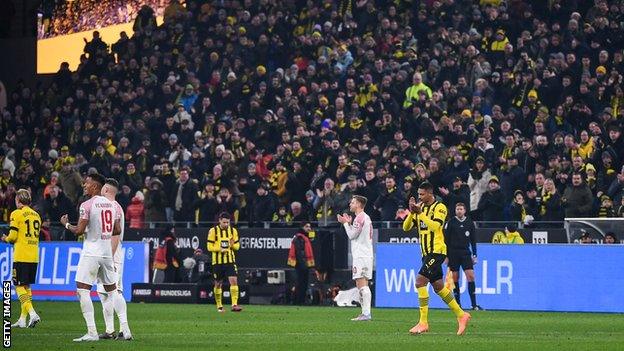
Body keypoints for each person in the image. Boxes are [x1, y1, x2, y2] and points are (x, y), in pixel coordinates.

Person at [402, 182, 470, 335]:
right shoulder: (420, 208)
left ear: (430, 194)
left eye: (422, 194)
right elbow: (406, 228)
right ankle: (461, 315)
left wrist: (420, 214)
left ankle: (423, 322)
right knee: (438, 286)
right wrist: (412, 211)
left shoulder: (440, 207)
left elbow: (434, 227)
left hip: (437, 251)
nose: (419, 197)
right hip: (426, 253)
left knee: (420, 281)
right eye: (418, 194)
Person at [60, 173, 122, 342]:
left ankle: (92, 332)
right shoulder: (112, 205)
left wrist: (66, 224)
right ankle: (117, 329)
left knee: (82, 289)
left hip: (91, 253)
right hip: (107, 254)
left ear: (95, 186)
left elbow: (79, 231)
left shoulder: (86, 205)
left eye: (86, 183)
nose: (84, 186)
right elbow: (116, 230)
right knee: (112, 292)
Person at [95, 178, 132, 340]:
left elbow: (115, 235)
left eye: (103, 187)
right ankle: (110, 330)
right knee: (103, 293)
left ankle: (125, 330)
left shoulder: (113, 208)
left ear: (106, 190)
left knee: (114, 291)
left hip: (112, 253)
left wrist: (108, 258)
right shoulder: (112, 207)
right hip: (107, 252)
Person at [1, 189, 41, 328]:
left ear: (18, 200)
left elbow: (12, 237)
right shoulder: (36, 215)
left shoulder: (16, 213)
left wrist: (5, 238)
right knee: (26, 286)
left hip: (21, 255)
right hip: (34, 255)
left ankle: (33, 313)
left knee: (18, 285)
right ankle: (23, 319)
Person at [336, 195, 373, 321]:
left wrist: (346, 224)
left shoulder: (360, 218)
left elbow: (352, 236)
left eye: (352, 202)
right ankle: (365, 313)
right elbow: (357, 235)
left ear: (358, 204)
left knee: (361, 284)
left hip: (361, 255)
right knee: (363, 284)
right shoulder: (364, 217)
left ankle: (366, 313)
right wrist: (350, 223)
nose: (350, 204)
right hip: (366, 254)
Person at [444, 202, 482, 310]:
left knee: (471, 276)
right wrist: (446, 256)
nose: (459, 211)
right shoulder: (451, 222)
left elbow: (473, 240)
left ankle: (474, 304)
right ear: (455, 211)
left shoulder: (469, 222)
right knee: (455, 278)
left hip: (465, 253)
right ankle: (458, 305)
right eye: (457, 209)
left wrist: (474, 255)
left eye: (461, 209)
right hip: (453, 254)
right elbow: (446, 240)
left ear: (464, 210)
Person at [207, 212, 242, 312]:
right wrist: (220, 249)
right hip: (217, 262)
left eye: (228, 222)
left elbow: (237, 246)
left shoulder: (233, 231)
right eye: (224, 222)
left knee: (234, 281)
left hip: (230, 260)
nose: (226, 225)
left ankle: (234, 305)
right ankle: (219, 306)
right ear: (219, 221)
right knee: (218, 284)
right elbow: (209, 247)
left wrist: (232, 245)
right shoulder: (213, 231)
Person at [287, 222, 316, 305]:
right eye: (307, 227)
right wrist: (304, 265)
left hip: (303, 264)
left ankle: (301, 300)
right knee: (301, 283)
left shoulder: (305, 237)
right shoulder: (299, 238)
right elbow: (300, 253)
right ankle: (298, 301)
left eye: (309, 227)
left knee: (303, 283)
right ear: (302, 227)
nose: (309, 228)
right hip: (301, 265)